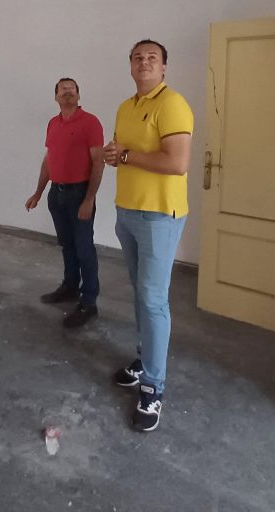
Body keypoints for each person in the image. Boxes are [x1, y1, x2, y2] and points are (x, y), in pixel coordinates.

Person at [103, 40, 193, 432]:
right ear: (130, 66)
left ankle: (154, 387)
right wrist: (114, 155)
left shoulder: (172, 104)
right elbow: (123, 151)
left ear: (164, 67)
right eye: (138, 58)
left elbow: (177, 162)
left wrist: (124, 156)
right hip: (128, 211)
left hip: (159, 216)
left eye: (152, 58)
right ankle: (145, 360)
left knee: (154, 299)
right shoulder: (126, 107)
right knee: (141, 293)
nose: (144, 63)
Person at [25, 77, 104, 328]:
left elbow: (98, 163)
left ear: (78, 96)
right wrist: (38, 193)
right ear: (56, 97)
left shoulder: (90, 122)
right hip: (56, 194)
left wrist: (89, 199)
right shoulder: (53, 123)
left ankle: (89, 302)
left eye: (72, 89)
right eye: (63, 89)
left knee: (84, 248)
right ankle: (70, 287)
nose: (68, 92)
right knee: (67, 245)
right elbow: (49, 160)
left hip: (79, 194)